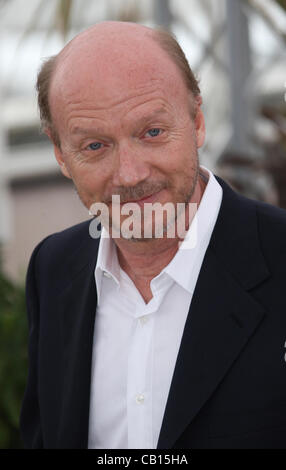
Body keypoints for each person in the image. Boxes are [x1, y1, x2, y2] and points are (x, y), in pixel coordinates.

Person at [20, 21, 286, 449]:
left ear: (197, 121)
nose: (130, 174)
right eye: (95, 146)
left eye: (152, 133)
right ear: (60, 154)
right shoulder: (52, 270)